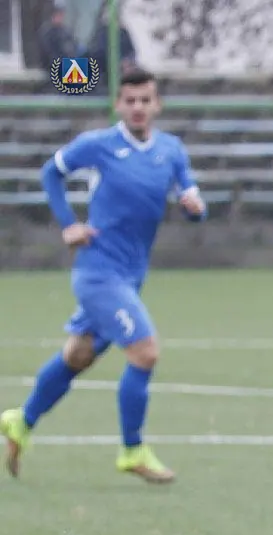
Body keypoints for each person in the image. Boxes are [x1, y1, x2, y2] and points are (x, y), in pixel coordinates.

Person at [2, 69, 206, 483]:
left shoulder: (171, 151)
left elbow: (192, 201)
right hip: (98, 273)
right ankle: (132, 450)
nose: (138, 107)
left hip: (131, 275)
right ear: (118, 105)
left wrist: (194, 208)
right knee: (145, 352)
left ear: (157, 105)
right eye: (130, 100)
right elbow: (51, 172)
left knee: (77, 356)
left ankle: (20, 421)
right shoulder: (99, 144)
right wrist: (68, 225)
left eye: (145, 100)